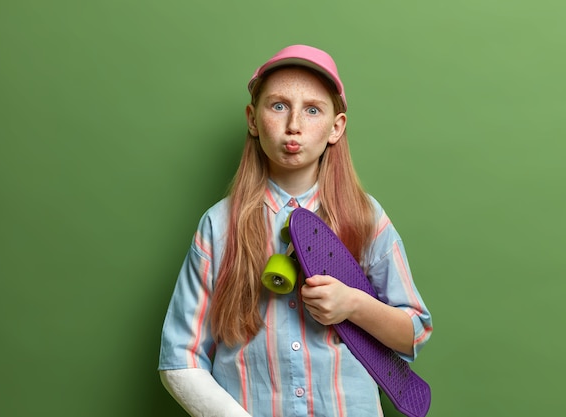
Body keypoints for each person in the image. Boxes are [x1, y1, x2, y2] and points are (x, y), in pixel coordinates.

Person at [158, 44, 432, 417]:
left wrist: (353, 304)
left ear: (336, 128)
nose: (294, 126)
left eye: (313, 110)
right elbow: (180, 359)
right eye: (278, 106)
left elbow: (413, 333)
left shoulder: (366, 218)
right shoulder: (220, 226)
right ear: (253, 120)